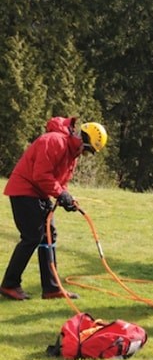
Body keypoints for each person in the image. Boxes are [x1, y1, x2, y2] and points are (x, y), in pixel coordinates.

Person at [1, 117, 108, 301]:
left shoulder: (70, 153)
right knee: (32, 237)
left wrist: (67, 197)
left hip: (38, 194)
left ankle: (51, 288)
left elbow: (58, 182)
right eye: (88, 150)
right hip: (24, 191)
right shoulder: (54, 141)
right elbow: (41, 175)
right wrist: (60, 194)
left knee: (49, 234)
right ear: (84, 140)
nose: (86, 155)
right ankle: (10, 284)